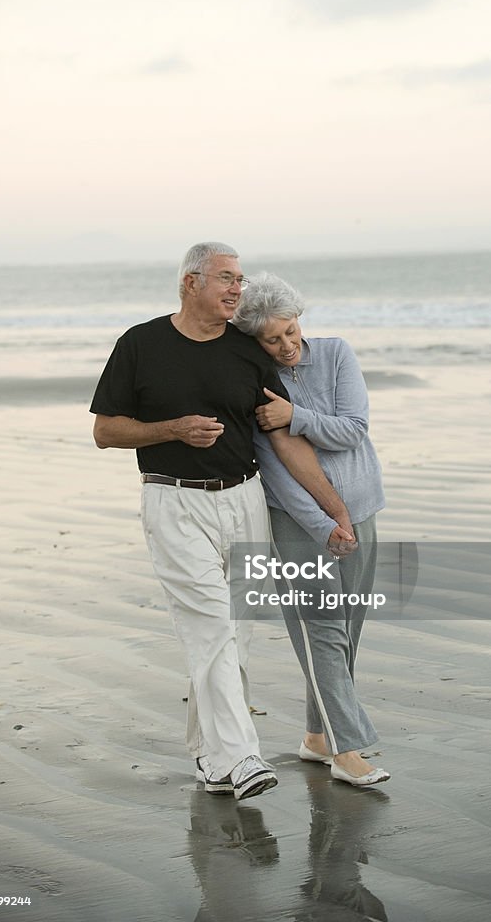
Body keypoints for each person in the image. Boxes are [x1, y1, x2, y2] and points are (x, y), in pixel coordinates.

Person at [89, 244, 355, 801]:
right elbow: (106, 431)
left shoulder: (246, 351)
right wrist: (173, 430)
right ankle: (242, 756)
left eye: (241, 279)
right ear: (191, 282)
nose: (238, 289)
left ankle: (210, 758)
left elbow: (284, 439)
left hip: (245, 500)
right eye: (227, 279)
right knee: (210, 624)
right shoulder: (140, 344)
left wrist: (333, 508)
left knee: (236, 632)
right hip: (174, 501)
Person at [233, 272, 390, 787]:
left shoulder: (336, 353)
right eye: (272, 340)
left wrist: (294, 416)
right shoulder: (250, 381)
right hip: (297, 523)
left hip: (363, 509)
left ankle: (317, 737)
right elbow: (275, 466)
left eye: (291, 332)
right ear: (255, 339)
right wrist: (323, 524)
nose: (286, 346)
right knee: (321, 629)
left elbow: (354, 429)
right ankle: (346, 750)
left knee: (347, 632)